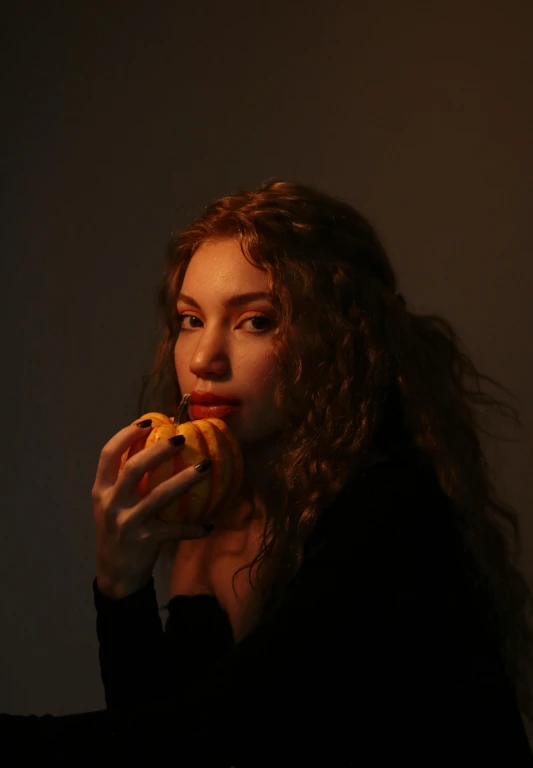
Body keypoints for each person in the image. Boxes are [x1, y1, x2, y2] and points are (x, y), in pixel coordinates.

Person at [1, 178, 533, 766]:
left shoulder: (388, 508)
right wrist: (119, 585)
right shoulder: (213, 512)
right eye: (190, 319)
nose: (204, 359)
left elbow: (213, 739)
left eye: (255, 321)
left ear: (339, 338)